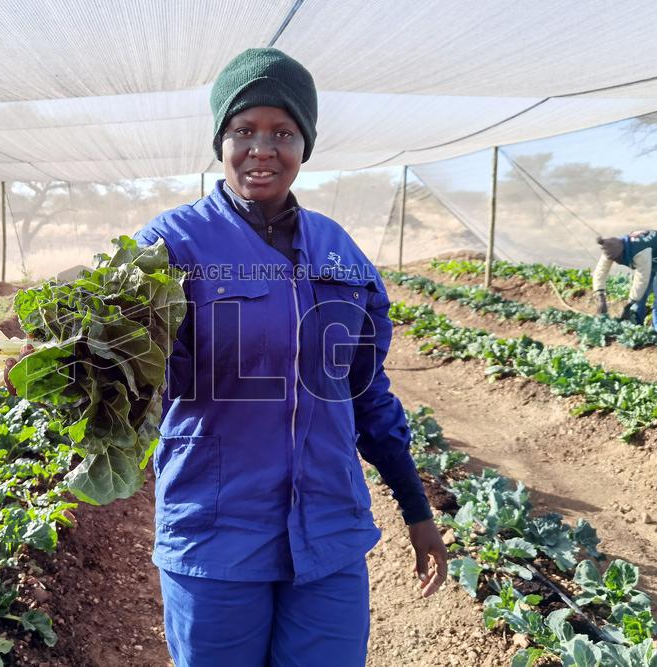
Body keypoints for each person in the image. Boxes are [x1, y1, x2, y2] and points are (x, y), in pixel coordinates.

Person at [133, 48, 447, 666]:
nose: (262, 149)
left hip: (329, 533)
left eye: (283, 132)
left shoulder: (341, 251)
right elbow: (127, 383)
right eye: (243, 131)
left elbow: (366, 393)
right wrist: (68, 371)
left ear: (305, 143)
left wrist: (415, 508)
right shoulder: (169, 246)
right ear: (221, 140)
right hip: (214, 531)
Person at [593, 230, 657, 331]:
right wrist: (601, 297)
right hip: (650, 254)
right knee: (641, 295)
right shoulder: (610, 250)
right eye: (614, 259)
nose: (617, 261)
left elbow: (641, 280)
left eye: (618, 258)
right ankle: (637, 325)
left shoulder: (639, 252)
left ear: (622, 251)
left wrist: (628, 305)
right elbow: (600, 271)